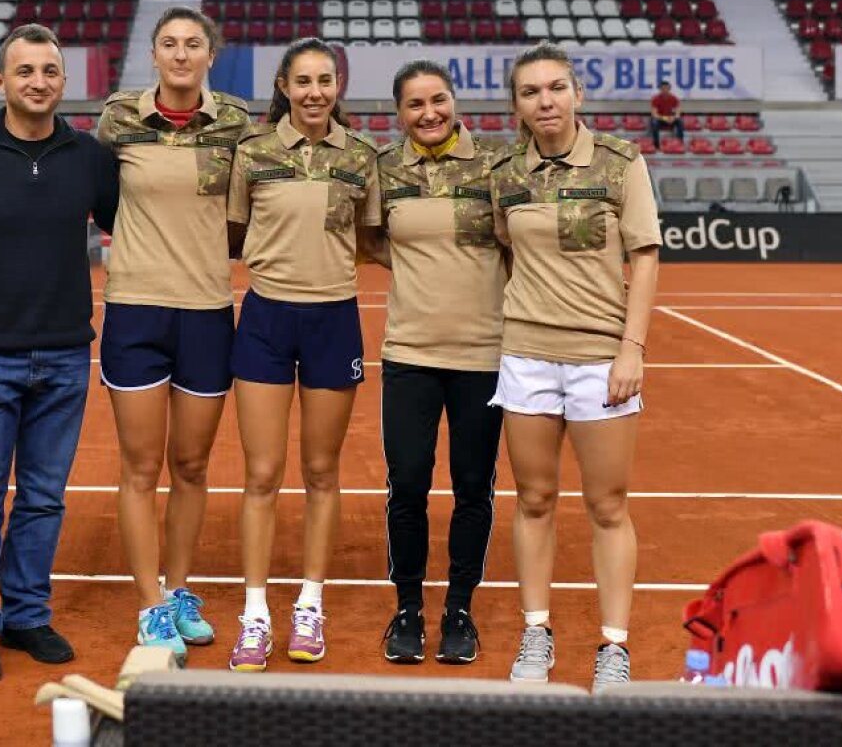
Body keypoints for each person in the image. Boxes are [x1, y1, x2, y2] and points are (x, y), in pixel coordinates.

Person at [0, 24, 119, 683]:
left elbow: (126, 228)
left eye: (50, 71)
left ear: (63, 82)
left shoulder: (91, 158)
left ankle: (27, 615)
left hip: (64, 355)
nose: (38, 82)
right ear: (1, 81)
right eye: (25, 71)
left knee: (42, 497)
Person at [488, 42, 661, 692]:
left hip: (600, 360)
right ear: (518, 105)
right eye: (531, 92)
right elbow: (507, 253)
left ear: (577, 94)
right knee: (533, 498)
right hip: (527, 356)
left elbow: (644, 256)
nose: (546, 101)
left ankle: (613, 644)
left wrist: (631, 348)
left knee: (607, 504)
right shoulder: (506, 172)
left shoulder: (620, 163)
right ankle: (536, 632)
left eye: (556, 88)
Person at [95, 7, 249, 665]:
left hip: (208, 310)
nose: (181, 54)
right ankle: (150, 603)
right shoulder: (118, 120)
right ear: (154, 55)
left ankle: (180, 590)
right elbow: (104, 198)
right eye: (169, 44)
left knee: (190, 465)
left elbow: (249, 208)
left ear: (210, 55)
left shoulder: (238, 123)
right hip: (134, 309)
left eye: (193, 45)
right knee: (139, 466)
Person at [226, 38, 381, 672]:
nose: (315, 92)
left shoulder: (363, 157)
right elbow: (235, 233)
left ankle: (310, 604)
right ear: (285, 87)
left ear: (336, 86)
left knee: (322, 472)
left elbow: (371, 240)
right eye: (303, 81)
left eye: (325, 80)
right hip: (264, 318)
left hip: (333, 320)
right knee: (261, 474)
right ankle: (255, 613)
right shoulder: (253, 153)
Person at [372, 61, 506, 666]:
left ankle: (458, 609)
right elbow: (368, 237)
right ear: (398, 113)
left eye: (438, 100)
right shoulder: (384, 168)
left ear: (454, 102)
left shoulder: (497, 165)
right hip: (409, 354)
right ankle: (406, 609)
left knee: (474, 487)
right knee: (407, 485)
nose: (428, 113)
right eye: (414, 104)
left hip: (483, 356)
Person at [648, 81, 684, 147]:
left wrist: (674, 118)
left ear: (669, 89)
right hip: (660, 119)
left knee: (680, 122)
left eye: (666, 88)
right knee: (654, 122)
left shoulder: (674, 98)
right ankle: (656, 145)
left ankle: (680, 143)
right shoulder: (655, 99)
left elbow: (677, 113)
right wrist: (664, 118)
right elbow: (654, 114)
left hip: (671, 119)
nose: (665, 90)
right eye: (663, 88)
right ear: (660, 89)